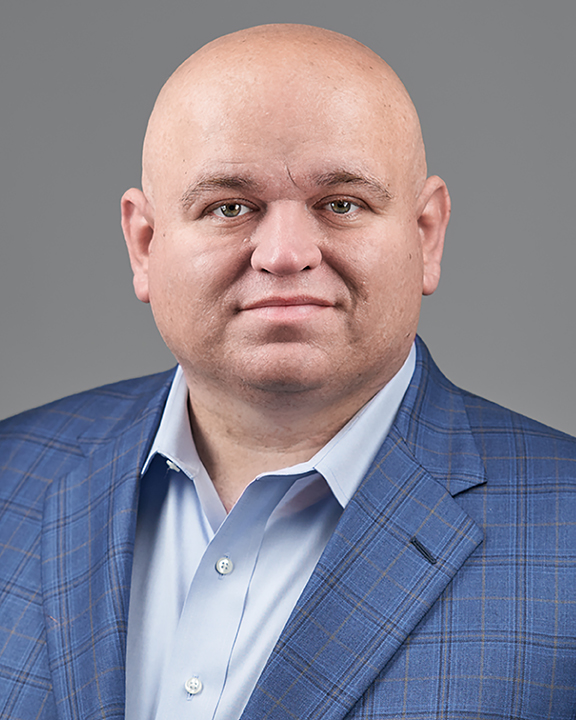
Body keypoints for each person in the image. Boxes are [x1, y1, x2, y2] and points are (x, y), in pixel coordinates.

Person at [0, 23, 575, 720]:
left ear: (426, 235)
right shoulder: (12, 474)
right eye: (230, 207)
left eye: (342, 204)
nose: (286, 253)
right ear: (144, 244)